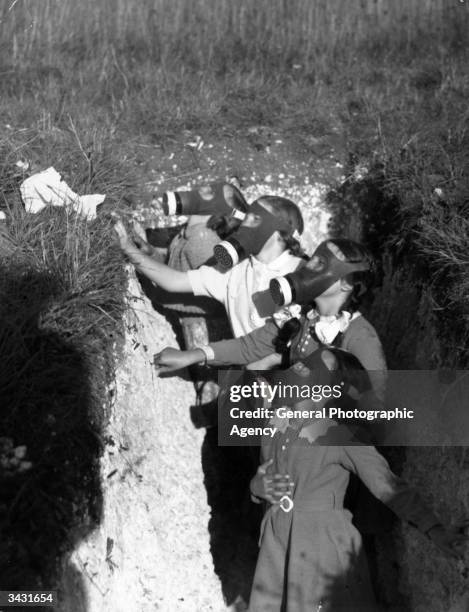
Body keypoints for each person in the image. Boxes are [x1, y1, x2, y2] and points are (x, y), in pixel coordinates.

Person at [247, 347, 467, 612]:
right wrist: (255, 488)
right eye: (306, 360)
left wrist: (434, 529)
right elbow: (264, 481)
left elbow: (388, 485)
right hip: (276, 546)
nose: (303, 365)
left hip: (324, 549)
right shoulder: (274, 424)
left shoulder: (341, 434)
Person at [115, 195, 306, 341]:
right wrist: (130, 250)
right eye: (246, 218)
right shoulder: (232, 271)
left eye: (255, 219)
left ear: (281, 235)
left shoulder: (304, 271)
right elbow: (174, 282)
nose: (244, 225)